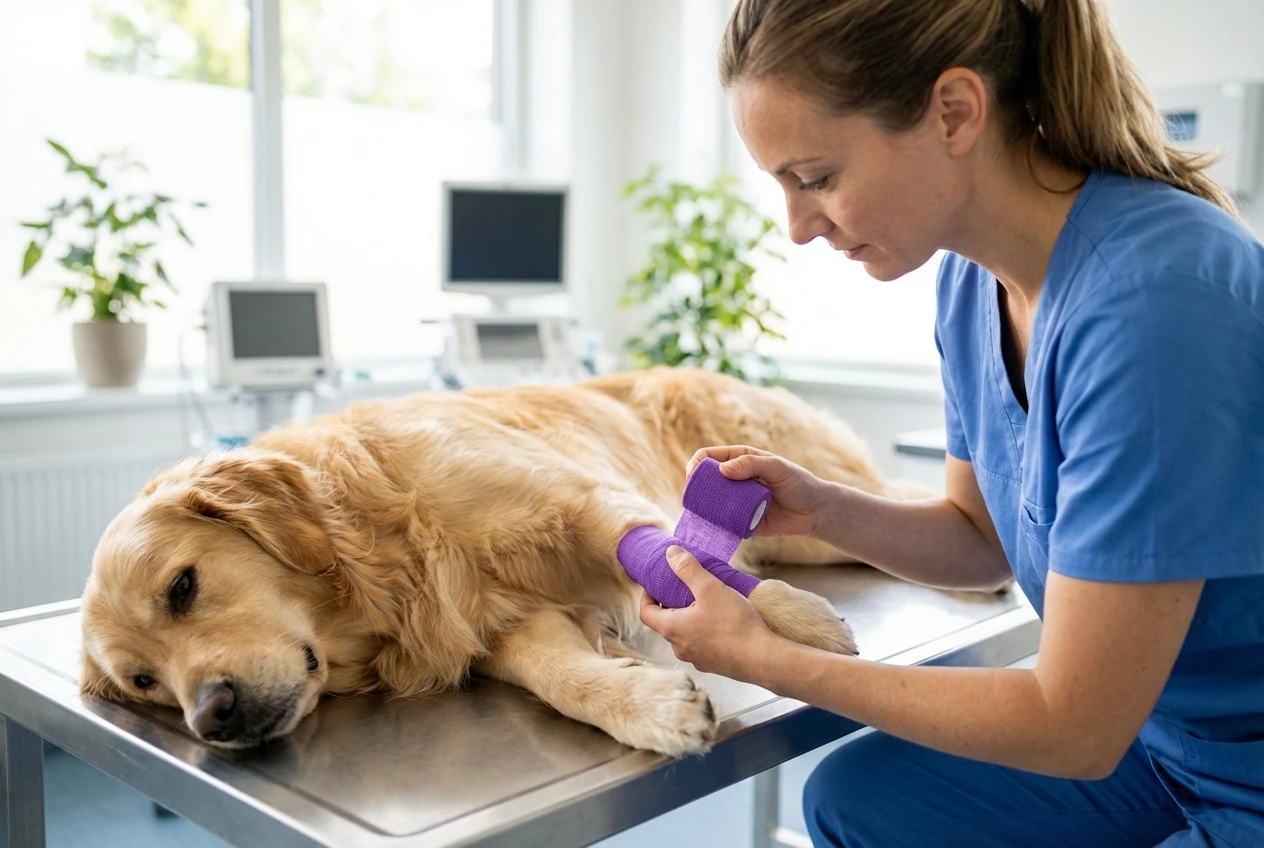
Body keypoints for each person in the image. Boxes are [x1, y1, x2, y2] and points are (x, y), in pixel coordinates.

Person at [637, 1, 1264, 846]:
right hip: (1158, 739)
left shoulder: (1155, 303)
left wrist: (768, 660)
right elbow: (979, 542)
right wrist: (827, 511)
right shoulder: (973, 286)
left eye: (815, 177)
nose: (797, 227)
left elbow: (1072, 724)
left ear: (955, 113)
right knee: (858, 802)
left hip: (1231, 760)